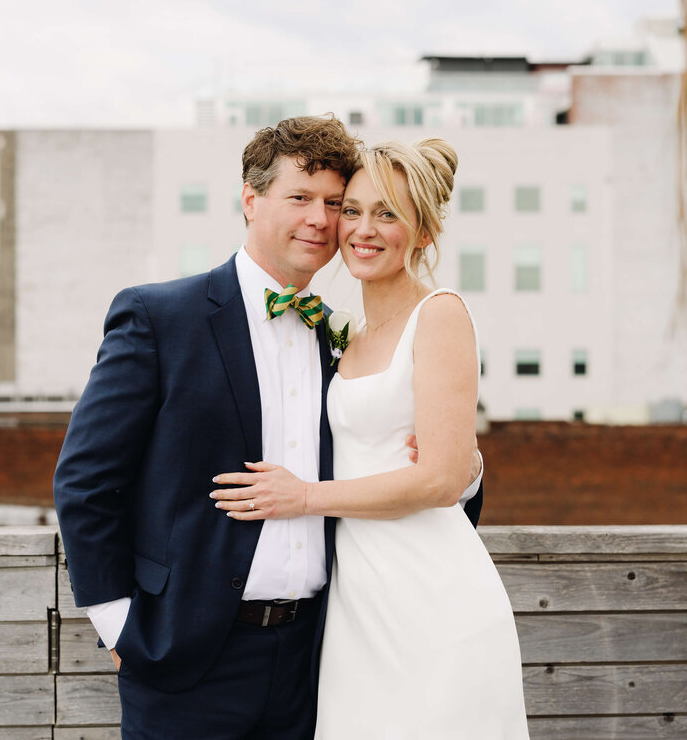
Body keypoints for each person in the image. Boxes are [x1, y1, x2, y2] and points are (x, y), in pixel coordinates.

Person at [55, 115, 483, 739]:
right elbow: (84, 481)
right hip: (186, 658)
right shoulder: (159, 317)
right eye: (300, 198)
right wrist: (119, 627)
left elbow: (409, 469)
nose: (319, 219)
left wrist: (465, 471)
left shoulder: (342, 339)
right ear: (251, 201)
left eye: (333, 204)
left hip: (322, 657)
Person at [212, 138, 530, 738]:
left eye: (388, 213)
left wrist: (305, 497)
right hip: (355, 605)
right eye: (352, 210)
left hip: (431, 594)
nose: (362, 229)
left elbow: (439, 479)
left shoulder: (440, 314)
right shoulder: (345, 334)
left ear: (425, 232)